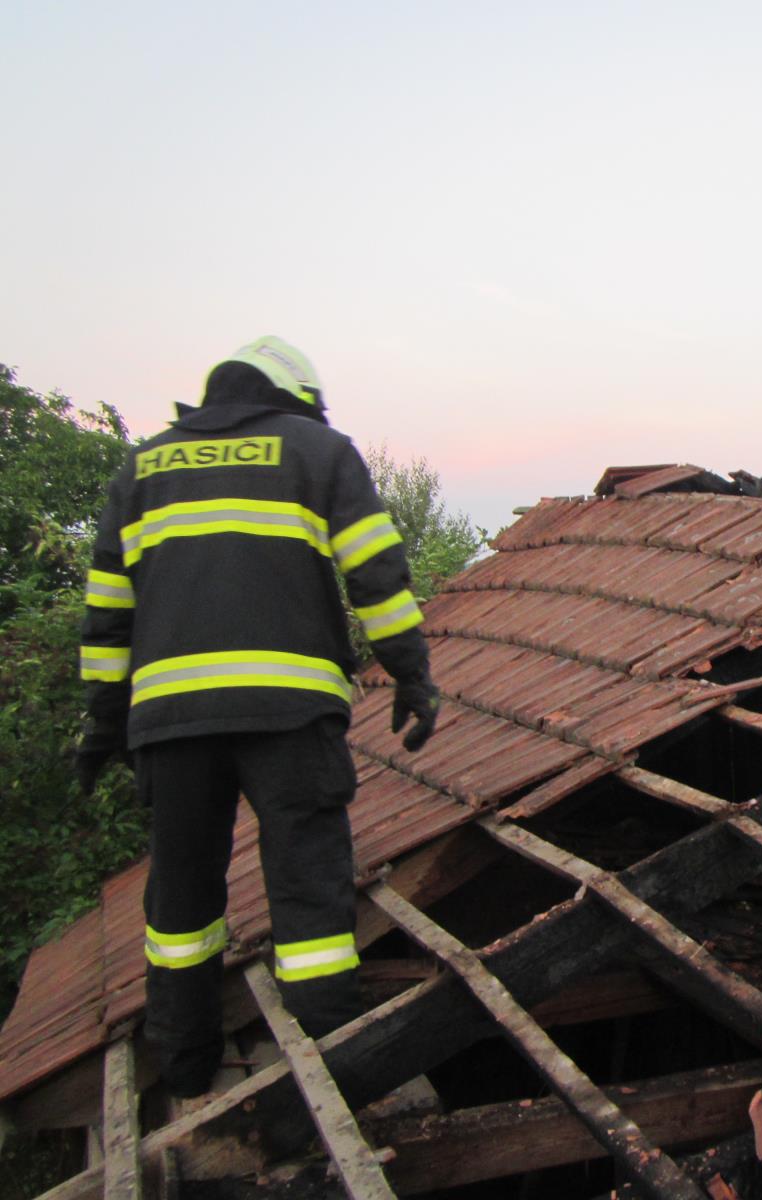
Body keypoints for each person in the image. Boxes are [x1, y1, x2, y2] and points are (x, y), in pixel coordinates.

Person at [75, 336, 441, 1098]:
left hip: (173, 721)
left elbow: (107, 613)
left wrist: (103, 726)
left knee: (180, 896)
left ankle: (185, 1065)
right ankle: (335, 1065)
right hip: (290, 714)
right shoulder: (317, 450)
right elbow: (374, 573)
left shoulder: (141, 469)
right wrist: (411, 674)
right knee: (309, 888)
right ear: (298, 398)